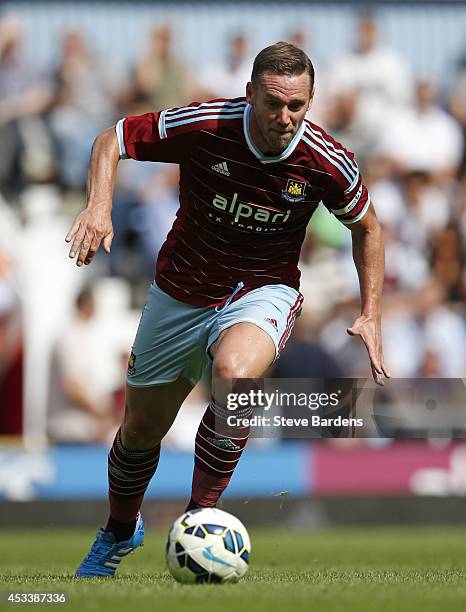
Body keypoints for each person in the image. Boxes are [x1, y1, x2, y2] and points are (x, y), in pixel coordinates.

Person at [66, 41, 390, 577]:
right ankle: (119, 532)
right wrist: (100, 206)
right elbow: (112, 138)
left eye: (297, 106)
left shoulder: (327, 160)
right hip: (181, 290)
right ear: (250, 95)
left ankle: (200, 518)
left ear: (311, 102)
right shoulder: (207, 124)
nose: (284, 118)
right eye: (272, 104)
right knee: (140, 431)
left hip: (264, 290)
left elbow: (368, 227)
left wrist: (372, 309)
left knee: (234, 376)